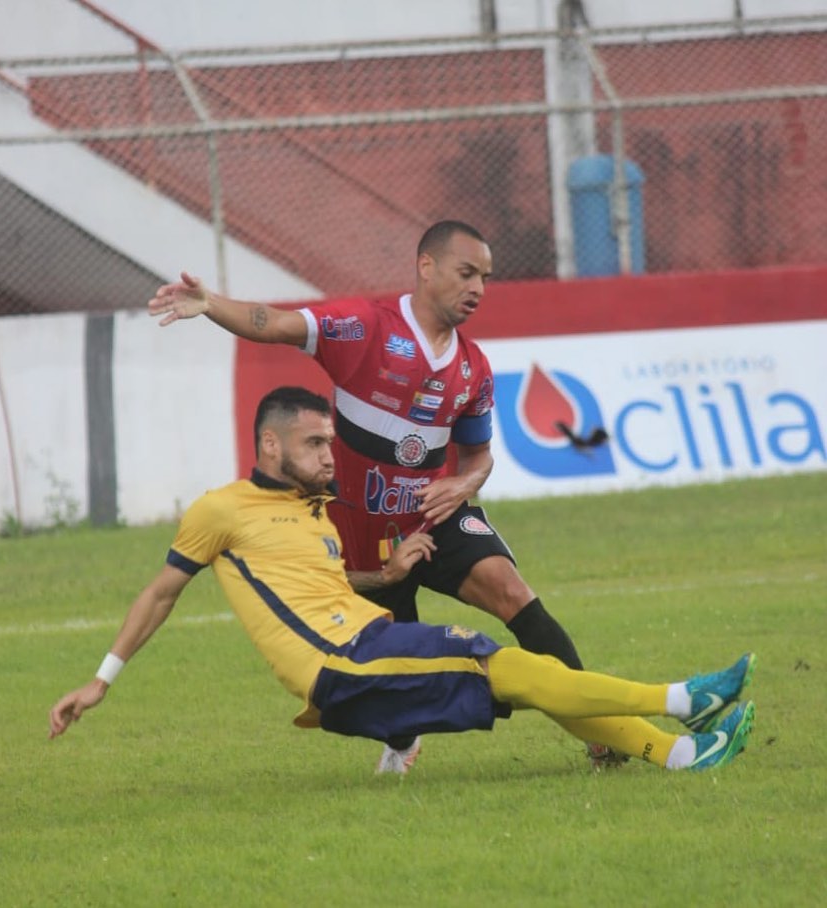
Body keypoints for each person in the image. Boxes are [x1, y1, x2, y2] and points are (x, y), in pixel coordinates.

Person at [49, 387, 757, 775]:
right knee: (510, 665)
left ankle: (681, 752)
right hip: (344, 661)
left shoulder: (316, 515)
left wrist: (380, 574)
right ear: (270, 445)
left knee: (519, 682)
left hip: (369, 644)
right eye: (316, 443)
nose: (332, 455)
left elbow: (323, 582)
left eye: (331, 441)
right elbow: (161, 591)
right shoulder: (219, 510)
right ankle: (684, 702)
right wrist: (101, 680)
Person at [145, 223, 624, 772]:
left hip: (433, 521)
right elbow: (273, 323)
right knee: (397, 687)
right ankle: (403, 742)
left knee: (514, 594)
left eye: (485, 279)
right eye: (466, 273)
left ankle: (602, 732)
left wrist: (465, 485)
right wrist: (209, 304)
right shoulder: (364, 327)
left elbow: (479, 457)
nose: (478, 289)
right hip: (363, 539)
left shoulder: (474, 368)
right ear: (426, 267)